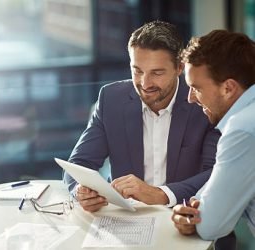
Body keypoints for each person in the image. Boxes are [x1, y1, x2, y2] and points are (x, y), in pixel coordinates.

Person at [63, 21, 220, 213]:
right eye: (137, 71)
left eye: (157, 73)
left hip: (187, 215)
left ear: (179, 68)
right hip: (127, 219)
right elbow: (79, 164)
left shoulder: (203, 102)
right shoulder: (111, 99)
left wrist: (161, 194)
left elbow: (217, 173)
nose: (145, 84)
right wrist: (81, 191)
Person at [171, 29, 255, 248]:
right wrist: (194, 207)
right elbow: (219, 184)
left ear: (228, 88)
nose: (190, 99)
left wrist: (193, 215)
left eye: (196, 88)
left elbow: (210, 226)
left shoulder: (243, 129)